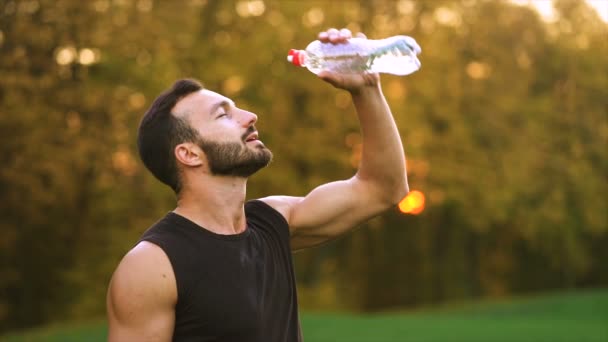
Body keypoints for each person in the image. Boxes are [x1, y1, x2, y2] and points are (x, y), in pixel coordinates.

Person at [106, 28, 408, 342]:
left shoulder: (273, 223)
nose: (250, 116)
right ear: (189, 153)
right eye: (223, 115)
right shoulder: (151, 266)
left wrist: (366, 89)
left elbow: (384, 189)